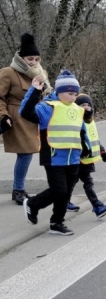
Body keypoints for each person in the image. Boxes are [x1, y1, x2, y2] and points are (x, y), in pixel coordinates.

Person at [20, 70, 87, 236]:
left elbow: (80, 132)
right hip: (53, 157)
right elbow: (26, 112)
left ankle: (57, 222)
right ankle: (33, 204)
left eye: (76, 94)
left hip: (73, 158)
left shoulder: (77, 110)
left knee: (66, 193)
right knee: (59, 190)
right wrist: (34, 91)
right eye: (70, 93)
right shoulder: (47, 108)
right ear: (59, 91)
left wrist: (86, 149)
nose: (73, 97)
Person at [0, 32, 52, 204]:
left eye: (37, 59)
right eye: (30, 59)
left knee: (29, 154)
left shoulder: (40, 75)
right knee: (25, 154)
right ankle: (18, 190)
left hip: (35, 117)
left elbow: (46, 96)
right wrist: (3, 116)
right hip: (17, 117)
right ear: (22, 58)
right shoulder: (8, 72)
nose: (34, 62)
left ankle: (20, 189)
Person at [68, 94, 106, 218]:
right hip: (79, 159)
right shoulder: (76, 122)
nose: (86, 107)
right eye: (83, 105)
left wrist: (102, 151)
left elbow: (95, 140)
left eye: (88, 105)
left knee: (71, 182)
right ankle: (97, 206)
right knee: (86, 182)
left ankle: (64, 202)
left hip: (87, 159)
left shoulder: (91, 122)